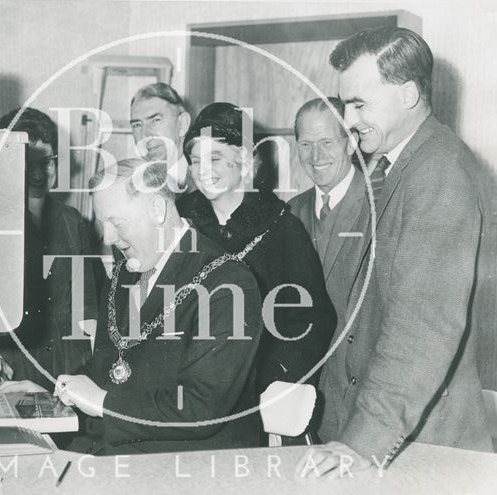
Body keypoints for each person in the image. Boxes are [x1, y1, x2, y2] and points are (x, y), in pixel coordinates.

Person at [297, 27, 492, 478]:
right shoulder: (396, 168)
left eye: (359, 103)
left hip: (425, 453)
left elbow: (423, 327)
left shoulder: (438, 173)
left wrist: (360, 443)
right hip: (390, 442)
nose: (346, 119)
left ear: (407, 94)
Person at [54, 158, 263, 454]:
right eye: (103, 224)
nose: (108, 238)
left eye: (116, 222)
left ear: (157, 209)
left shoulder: (227, 284)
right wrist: (56, 395)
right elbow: (110, 366)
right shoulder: (124, 272)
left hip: (193, 469)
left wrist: (102, 403)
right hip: (121, 454)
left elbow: (200, 408)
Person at [178, 102, 336, 398]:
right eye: (195, 160)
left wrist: (273, 382)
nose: (203, 171)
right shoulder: (178, 222)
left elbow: (309, 324)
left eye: (215, 158)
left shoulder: (281, 229)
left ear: (246, 162)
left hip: (253, 392)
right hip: (184, 388)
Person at [0, 107, 99, 390]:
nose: (39, 174)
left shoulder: (72, 222)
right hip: (11, 366)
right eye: (29, 163)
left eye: (47, 161)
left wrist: (98, 367)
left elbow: (86, 307)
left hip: (72, 368)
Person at [288, 97, 367, 440]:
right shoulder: (290, 212)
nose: (315, 156)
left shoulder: (381, 205)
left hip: (362, 397)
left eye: (326, 143)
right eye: (306, 144)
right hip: (306, 398)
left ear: (350, 143)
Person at [130, 82, 195, 194]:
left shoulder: (205, 182)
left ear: (183, 124)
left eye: (156, 120)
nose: (145, 135)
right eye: (137, 125)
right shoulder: (134, 187)